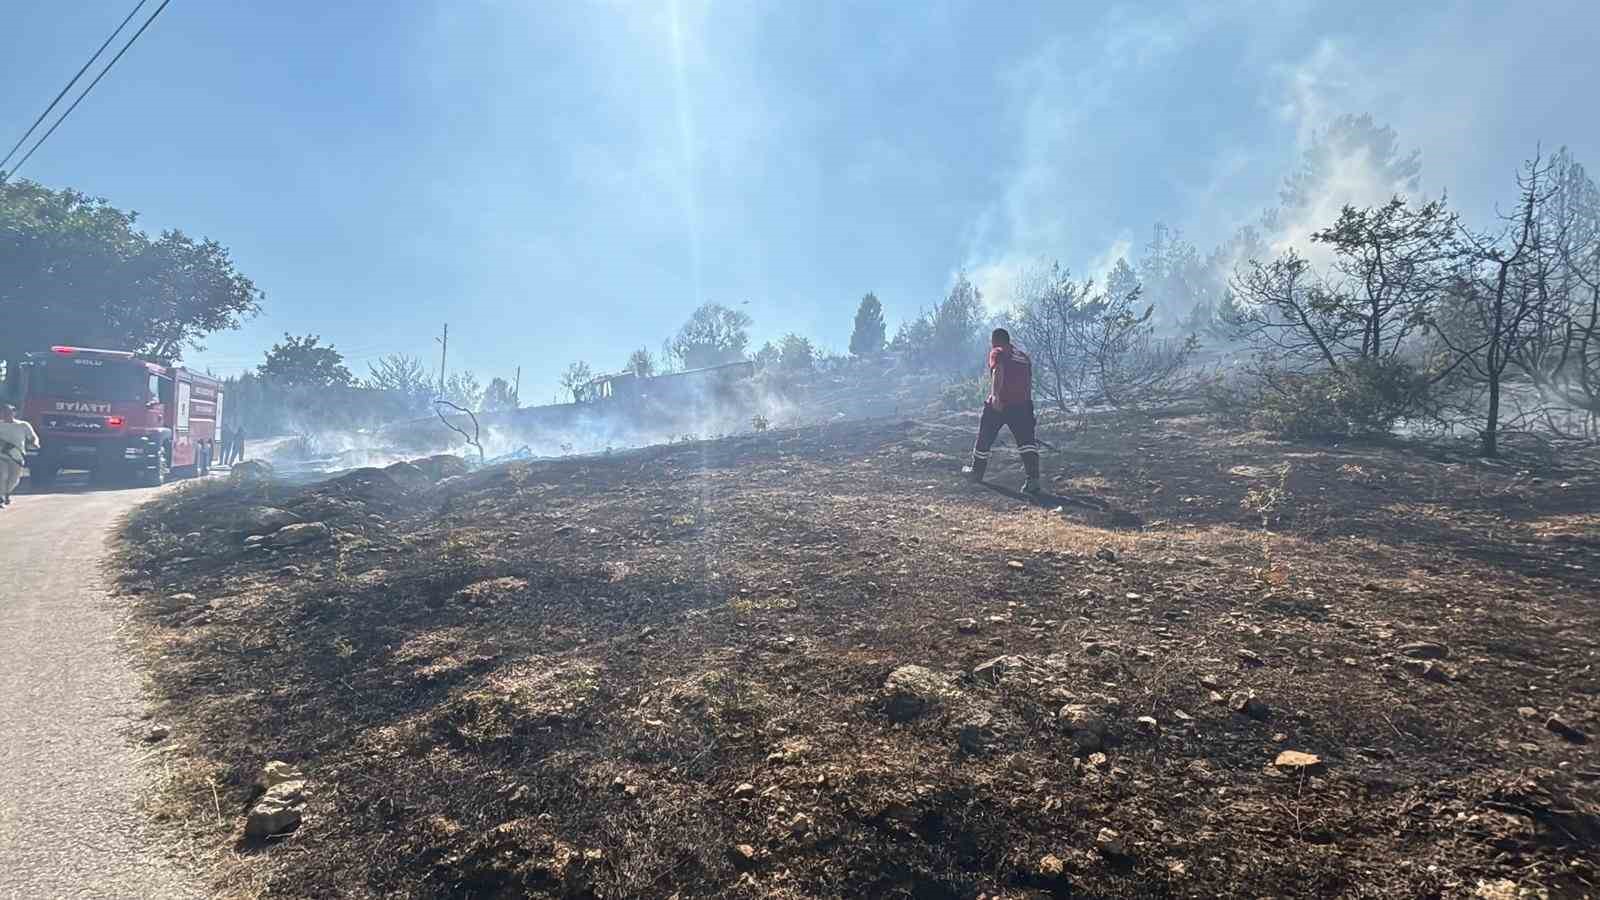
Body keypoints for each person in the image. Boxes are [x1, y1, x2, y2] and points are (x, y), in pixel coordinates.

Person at [963, 328, 1042, 494]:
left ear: (995, 340)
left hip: (1001, 404)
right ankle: (1033, 480)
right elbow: (1028, 381)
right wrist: (1027, 406)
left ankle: (976, 473)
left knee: (984, 437)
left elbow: (998, 371)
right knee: (1027, 442)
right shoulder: (1023, 357)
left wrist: (995, 396)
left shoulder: (998, 351)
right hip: (1023, 405)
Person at [0, 403, 41, 507]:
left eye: (9, 412)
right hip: (1, 455)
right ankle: (1, 497)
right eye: (4, 412)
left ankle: (7, 493)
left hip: (17, 456)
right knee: (2, 474)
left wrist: (35, 443)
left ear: (14, 413)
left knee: (14, 479)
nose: (6, 414)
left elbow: (33, 437)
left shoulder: (23, 425)